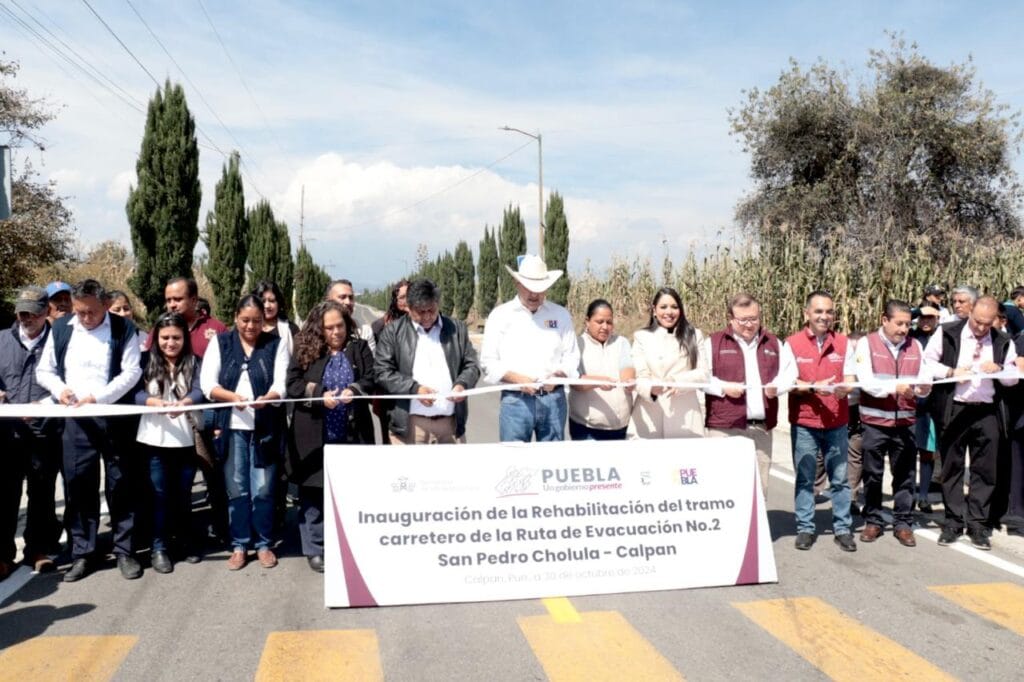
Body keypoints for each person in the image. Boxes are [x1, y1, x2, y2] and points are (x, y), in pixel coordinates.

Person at [36, 279, 143, 581]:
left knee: (121, 482)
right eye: (80, 311)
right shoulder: (61, 329)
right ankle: (84, 552)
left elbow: (132, 371)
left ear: (105, 306)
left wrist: (100, 397)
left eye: (91, 313)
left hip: (112, 416)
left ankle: (125, 550)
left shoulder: (124, 330)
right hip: (76, 419)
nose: (84, 318)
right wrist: (61, 390)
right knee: (78, 483)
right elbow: (44, 371)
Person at [200, 295, 289, 570]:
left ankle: (263, 543)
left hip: (266, 427)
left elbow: (281, 384)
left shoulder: (276, 344)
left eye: (257, 321)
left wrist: (269, 397)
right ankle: (239, 544)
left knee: (263, 489)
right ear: (236, 318)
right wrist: (231, 397)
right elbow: (207, 384)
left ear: (264, 320)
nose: (251, 326)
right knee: (236, 487)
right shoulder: (221, 342)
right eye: (245, 320)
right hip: (232, 428)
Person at [924, 295, 1019, 550]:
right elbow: (927, 362)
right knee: (951, 467)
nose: (981, 328)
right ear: (971, 313)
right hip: (954, 408)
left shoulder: (1002, 340)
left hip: (987, 411)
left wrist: (999, 368)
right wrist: (951, 372)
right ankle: (953, 522)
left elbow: (1012, 379)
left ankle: (978, 524)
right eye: (977, 321)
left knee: (985, 471)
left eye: (987, 324)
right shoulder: (947, 332)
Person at [287, 301, 375, 572]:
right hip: (314, 432)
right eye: (329, 328)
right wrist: (319, 396)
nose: (336, 332)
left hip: (352, 431)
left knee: (350, 491)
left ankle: (347, 543)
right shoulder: (305, 350)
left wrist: (355, 389)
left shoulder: (358, 349)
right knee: (314, 493)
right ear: (319, 329)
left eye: (340, 326)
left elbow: (372, 378)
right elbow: (293, 385)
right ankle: (315, 547)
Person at [777, 290, 857, 552]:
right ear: (807, 314)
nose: (824, 316)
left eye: (829, 312)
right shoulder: (792, 344)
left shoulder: (844, 343)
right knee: (805, 477)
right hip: (805, 423)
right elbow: (787, 381)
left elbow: (851, 376)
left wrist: (846, 388)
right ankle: (805, 528)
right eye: (819, 311)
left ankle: (843, 528)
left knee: (841, 478)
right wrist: (813, 387)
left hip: (836, 421)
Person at [854, 300, 933, 548]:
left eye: (907, 324)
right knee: (873, 475)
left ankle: (903, 523)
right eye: (898, 323)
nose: (903, 329)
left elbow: (925, 378)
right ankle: (874, 520)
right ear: (884, 320)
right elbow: (866, 381)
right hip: (875, 422)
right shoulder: (867, 344)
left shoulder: (916, 346)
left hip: (905, 422)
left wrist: (922, 389)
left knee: (905, 475)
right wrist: (893, 387)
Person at [480, 255, 579, 442]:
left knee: (552, 465)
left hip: (553, 400)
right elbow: (488, 361)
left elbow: (571, 356)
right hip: (516, 401)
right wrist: (518, 380)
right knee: (515, 464)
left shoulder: (561, 315)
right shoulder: (500, 316)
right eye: (529, 288)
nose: (534, 295)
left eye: (540, 290)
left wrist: (558, 376)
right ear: (517, 283)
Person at [134, 313, 204, 573]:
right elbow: (135, 393)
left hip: (186, 439)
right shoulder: (145, 361)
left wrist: (185, 402)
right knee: (158, 495)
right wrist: (154, 403)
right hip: (154, 439)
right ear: (156, 338)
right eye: (165, 338)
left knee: (183, 494)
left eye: (176, 337)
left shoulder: (195, 362)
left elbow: (200, 389)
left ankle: (184, 540)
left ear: (185, 338)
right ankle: (159, 547)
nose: (170, 343)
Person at [0, 286, 62, 578]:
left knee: (42, 494)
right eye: (21, 311)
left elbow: (70, 382)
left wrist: (46, 403)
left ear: (45, 312)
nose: (25, 317)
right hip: (7, 435)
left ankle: (37, 550)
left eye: (32, 312)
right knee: (5, 496)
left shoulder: (59, 342)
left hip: (44, 432)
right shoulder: (1, 340)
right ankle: (2, 556)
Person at [374, 279, 480, 444]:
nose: (427, 316)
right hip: (411, 426)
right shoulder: (393, 333)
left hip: (450, 426)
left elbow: (471, 364)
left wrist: (462, 384)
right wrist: (414, 389)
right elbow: (382, 372)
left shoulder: (456, 330)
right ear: (408, 308)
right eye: (420, 312)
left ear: (437, 303)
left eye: (431, 310)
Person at [703, 293, 780, 497]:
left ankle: (755, 529)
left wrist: (778, 387)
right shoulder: (713, 342)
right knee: (722, 488)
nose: (749, 324)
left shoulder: (773, 343)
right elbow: (702, 378)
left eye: (754, 318)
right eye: (743, 320)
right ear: (730, 318)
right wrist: (723, 387)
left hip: (761, 429)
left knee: (758, 490)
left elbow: (787, 374)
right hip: (724, 428)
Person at [629, 287, 708, 439]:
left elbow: (703, 373)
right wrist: (651, 389)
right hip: (649, 415)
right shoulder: (642, 336)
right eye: (663, 307)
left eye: (674, 307)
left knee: (685, 462)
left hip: (685, 415)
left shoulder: (694, 335)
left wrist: (677, 381)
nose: (669, 312)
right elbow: (639, 374)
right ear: (654, 310)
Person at [569, 300, 635, 441]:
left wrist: (629, 383)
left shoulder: (622, 342)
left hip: (621, 428)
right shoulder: (577, 345)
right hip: (586, 430)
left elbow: (627, 368)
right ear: (587, 321)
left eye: (609, 322)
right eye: (599, 322)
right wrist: (598, 382)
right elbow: (574, 380)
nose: (605, 327)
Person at [369, 279, 410, 442]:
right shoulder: (380, 326)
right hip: (389, 396)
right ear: (395, 299)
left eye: (410, 296)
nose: (406, 301)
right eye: (402, 297)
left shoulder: (424, 324)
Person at [910, 306, 941, 513]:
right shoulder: (910, 337)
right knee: (909, 451)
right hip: (911, 403)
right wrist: (918, 309)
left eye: (931, 317)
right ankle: (909, 495)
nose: (926, 321)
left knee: (928, 453)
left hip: (933, 405)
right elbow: (901, 316)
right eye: (922, 318)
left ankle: (923, 497)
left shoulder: (942, 338)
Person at [164, 277, 227, 358]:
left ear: (193, 300)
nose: (172, 305)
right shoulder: (160, 329)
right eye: (168, 300)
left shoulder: (217, 328)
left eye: (178, 299)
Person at [325, 279, 376, 352]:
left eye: (351, 298)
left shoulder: (365, 332)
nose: (348, 302)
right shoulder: (315, 330)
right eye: (342, 297)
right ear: (328, 300)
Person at [254, 280, 298, 356]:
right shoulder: (247, 328)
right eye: (263, 301)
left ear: (279, 303)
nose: (267, 306)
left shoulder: (291, 330)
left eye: (272, 301)